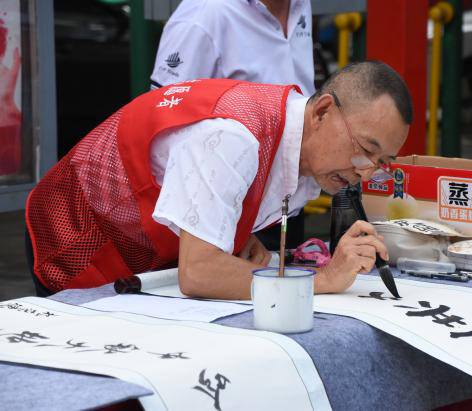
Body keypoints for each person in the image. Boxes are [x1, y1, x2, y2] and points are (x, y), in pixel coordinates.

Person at [25, 61, 413, 300]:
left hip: (146, 250)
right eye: (366, 149)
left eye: (381, 162)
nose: (366, 171)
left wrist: (237, 232)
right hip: (77, 235)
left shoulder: (306, 145)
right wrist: (322, 279)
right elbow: (199, 273)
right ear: (323, 111)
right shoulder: (233, 136)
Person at [150, 0, 316, 250]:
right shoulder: (204, 14)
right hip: (227, 214)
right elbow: (163, 118)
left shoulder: (299, 4)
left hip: (287, 203)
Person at [150, 0, 314, 96]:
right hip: (231, 145)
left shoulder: (299, 3)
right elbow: (165, 114)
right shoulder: (203, 14)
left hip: (306, 140)